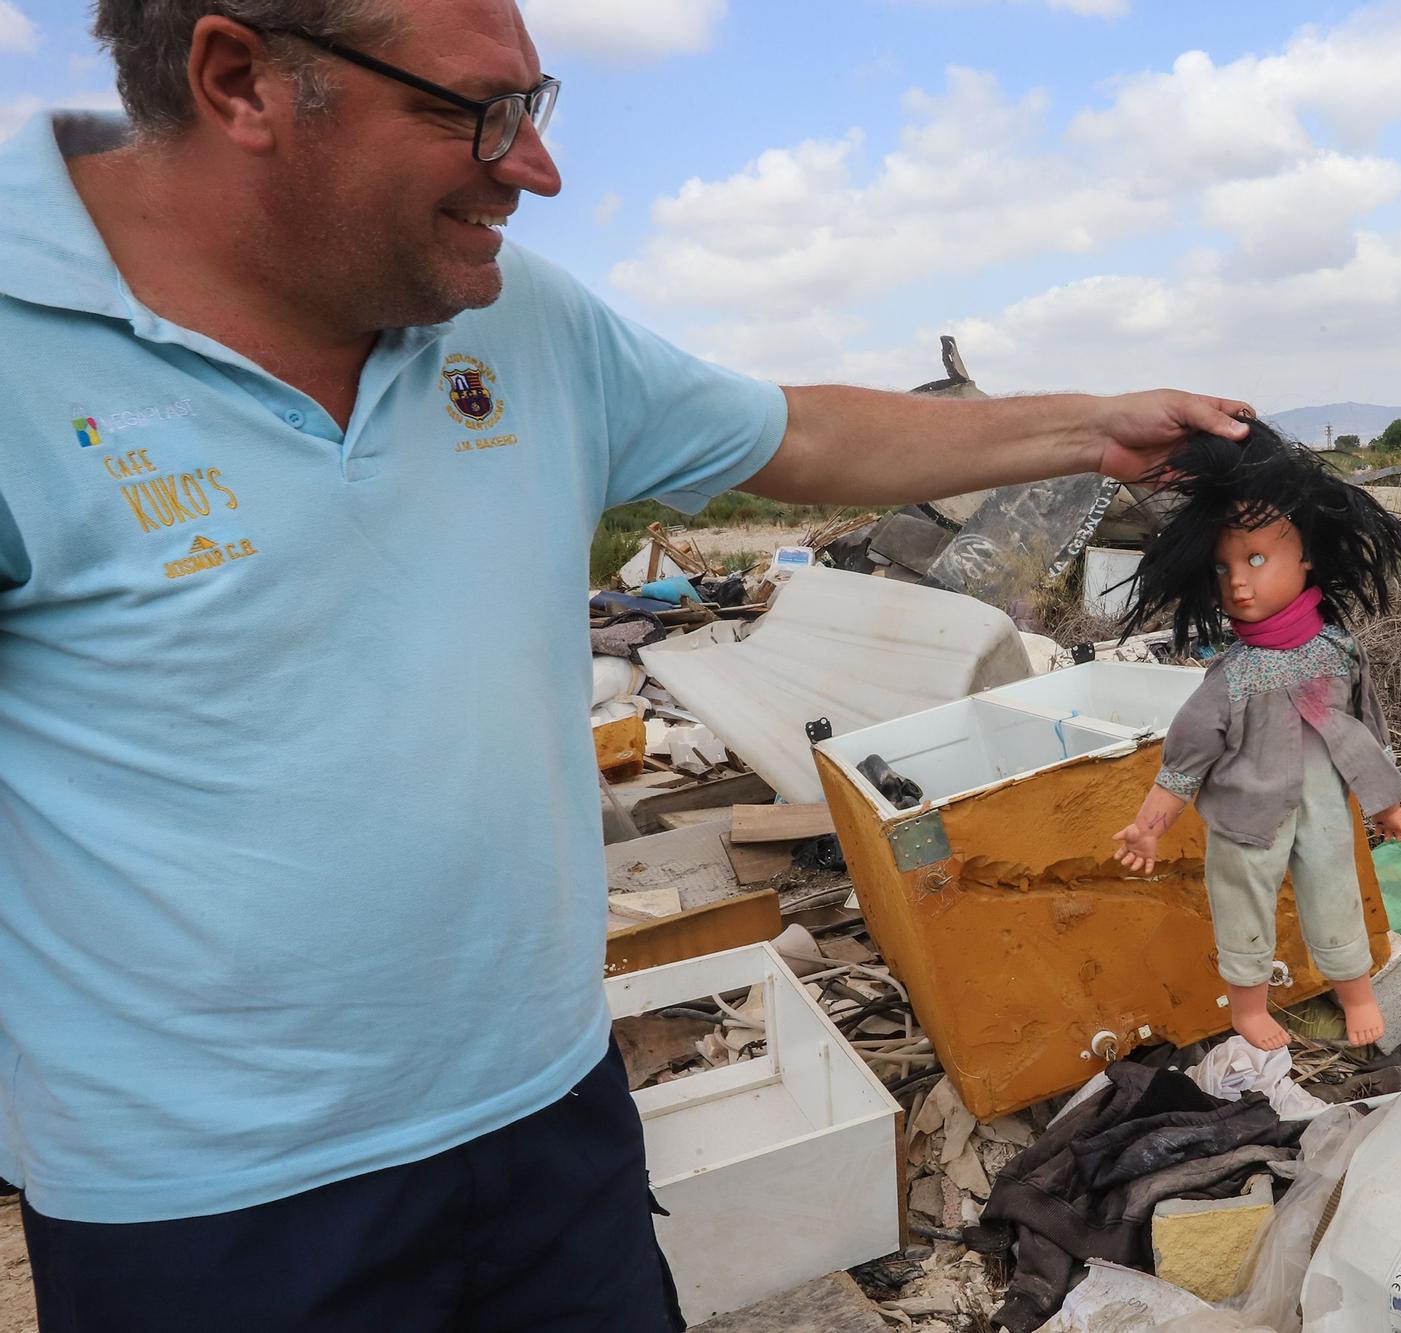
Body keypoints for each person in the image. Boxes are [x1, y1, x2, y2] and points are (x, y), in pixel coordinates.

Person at [0, 2, 1255, 1328]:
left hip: (551, 1127)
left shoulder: (515, 319)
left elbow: (800, 439)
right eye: (474, 111)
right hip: (215, 1215)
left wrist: (1092, 426)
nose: (536, 168)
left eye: (535, 106)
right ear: (238, 78)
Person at [1109, 423, 1401, 1049]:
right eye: (1224, 568)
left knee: (1336, 889)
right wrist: (1151, 825)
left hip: (1325, 804)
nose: (1238, 583)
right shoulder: (1232, 677)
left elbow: (1364, 728)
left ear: (1306, 561)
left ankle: (1353, 989)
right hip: (1249, 812)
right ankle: (1250, 1006)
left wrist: (1386, 802)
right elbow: (1186, 756)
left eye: (1255, 560)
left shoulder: (1337, 650)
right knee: (1242, 902)